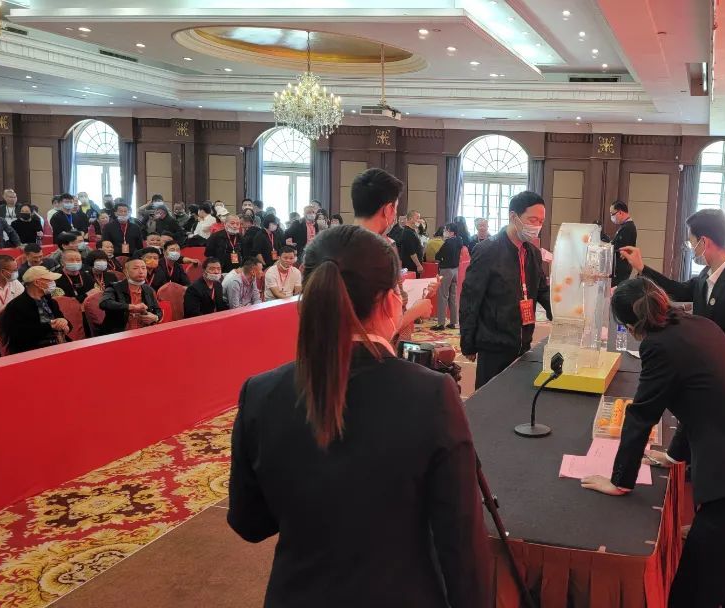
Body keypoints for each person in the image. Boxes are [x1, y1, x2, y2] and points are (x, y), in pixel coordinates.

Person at [228, 225, 491, 607]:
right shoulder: (432, 394)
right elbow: (462, 543)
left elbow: (250, 523)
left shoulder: (260, 392)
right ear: (388, 301)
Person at [580, 278, 725, 608]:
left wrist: (620, 480)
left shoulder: (658, 346)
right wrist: (672, 455)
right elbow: (700, 400)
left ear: (630, 327)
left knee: (691, 597)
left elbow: (641, 414)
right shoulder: (700, 325)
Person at [619, 208, 725, 389]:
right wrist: (642, 268)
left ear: (704, 242)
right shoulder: (708, 273)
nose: (692, 248)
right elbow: (680, 291)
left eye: (692, 243)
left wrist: (710, 353)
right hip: (712, 373)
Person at [460, 191, 552, 389]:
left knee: (516, 397)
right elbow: (471, 298)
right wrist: (468, 342)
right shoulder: (488, 250)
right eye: (532, 220)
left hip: (523, 342)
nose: (537, 226)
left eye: (541, 221)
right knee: (489, 399)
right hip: (493, 345)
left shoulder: (533, 253)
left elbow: (542, 290)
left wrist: (562, 314)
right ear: (513, 217)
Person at [351, 168, 435, 330]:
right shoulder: (381, 252)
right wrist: (417, 310)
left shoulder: (327, 244)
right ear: (388, 209)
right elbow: (383, 326)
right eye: (395, 207)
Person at [0, 266, 70, 353]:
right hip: (32, 351)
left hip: (58, 345)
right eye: (49, 280)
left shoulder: (50, 301)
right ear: (37, 282)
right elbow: (19, 336)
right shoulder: (16, 306)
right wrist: (50, 326)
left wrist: (64, 322)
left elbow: (64, 322)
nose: (53, 283)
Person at [98, 257, 162, 334]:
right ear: (126, 271)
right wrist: (132, 307)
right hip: (120, 334)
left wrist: (155, 317)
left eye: (143, 268)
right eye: (135, 268)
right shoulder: (115, 287)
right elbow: (104, 303)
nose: (141, 271)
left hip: (144, 332)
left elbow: (158, 311)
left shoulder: (148, 289)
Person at [433, 223, 463, 330]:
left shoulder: (448, 242)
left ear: (451, 232)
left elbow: (438, 255)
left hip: (446, 270)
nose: (444, 232)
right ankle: (454, 321)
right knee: (453, 296)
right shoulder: (459, 240)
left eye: (446, 230)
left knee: (443, 296)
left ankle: (440, 323)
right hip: (455, 270)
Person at [0, 255, 22, 332]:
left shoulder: (15, 283)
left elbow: (24, 305)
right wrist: (3, 335)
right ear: (2, 272)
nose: (16, 272)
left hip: (14, 330)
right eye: (14, 270)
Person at [606, 200, 637, 286]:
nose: (611, 217)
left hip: (620, 269)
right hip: (620, 268)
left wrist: (609, 245)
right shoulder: (625, 226)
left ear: (620, 212)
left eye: (612, 214)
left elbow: (619, 247)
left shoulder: (628, 227)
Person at [397, 210, 424, 276]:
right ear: (410, 219)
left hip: (413, 265)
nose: (419, 220)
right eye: (417, 218)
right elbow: (412, 252)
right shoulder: (408, 232)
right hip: (411, 266)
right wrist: (418, 265)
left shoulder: (413, 231)